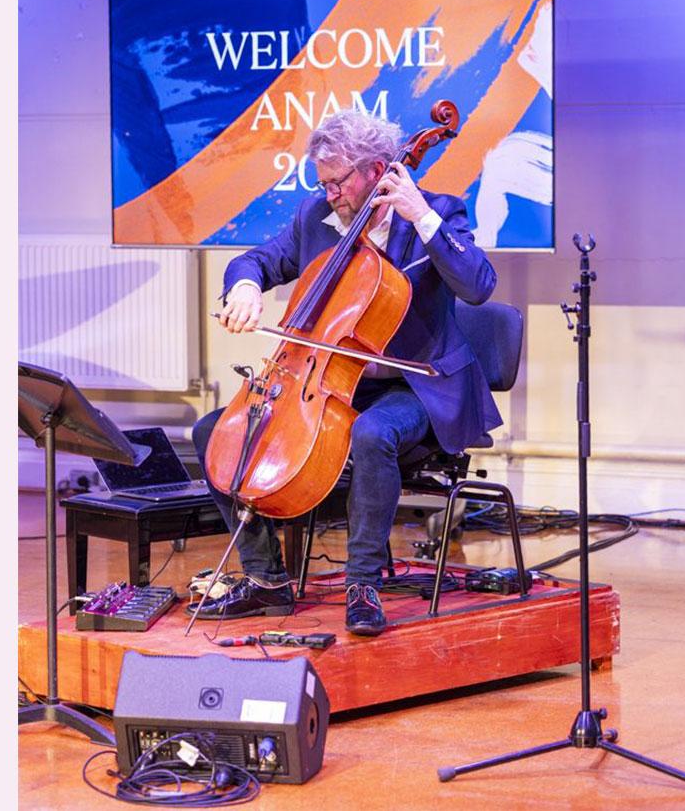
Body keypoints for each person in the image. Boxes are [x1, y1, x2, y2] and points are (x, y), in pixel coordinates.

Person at [188, 109, 502, 636]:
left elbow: (479, 285)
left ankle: (362, 584)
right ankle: (265, 578)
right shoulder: (316, 216)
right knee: (213, 432)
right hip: (328, 380)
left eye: (338, 182)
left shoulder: (438, 211)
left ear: (377, 170)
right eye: (323, 183)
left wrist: (422, 217)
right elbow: (257, 261)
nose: (329, 194)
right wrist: (244, 287)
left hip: (416, 385)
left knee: (372, 432)